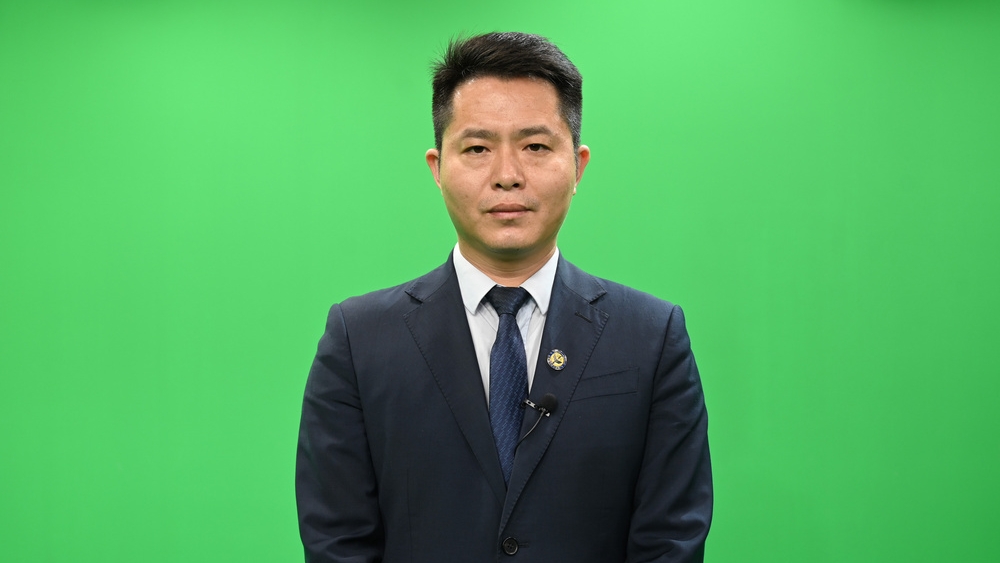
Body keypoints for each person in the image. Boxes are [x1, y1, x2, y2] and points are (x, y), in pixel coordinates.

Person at [296, 31, 712, 562]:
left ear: (578, 165)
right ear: (437, 168)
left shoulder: (652, 338)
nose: (508, 176)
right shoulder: (358, 340)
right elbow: (338, 543)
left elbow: (670, 542)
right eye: (477, 149)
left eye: (536, 147)